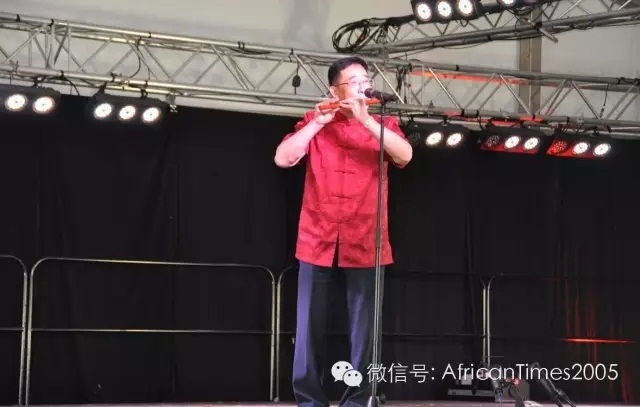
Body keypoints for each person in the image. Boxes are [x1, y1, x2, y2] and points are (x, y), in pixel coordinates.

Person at [274, 56, 413, 407]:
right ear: (334, 89)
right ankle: (310, 400)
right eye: (353, 81)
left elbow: (405, 155)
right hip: (317, 237)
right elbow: (283, 158)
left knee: (365, 332)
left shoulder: (382, 122)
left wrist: (365, 119)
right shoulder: (317, 121)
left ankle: (359, 400)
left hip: (366, 238)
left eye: (366, 79)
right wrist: (317, 123)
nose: (363, 85)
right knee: (309, 327)